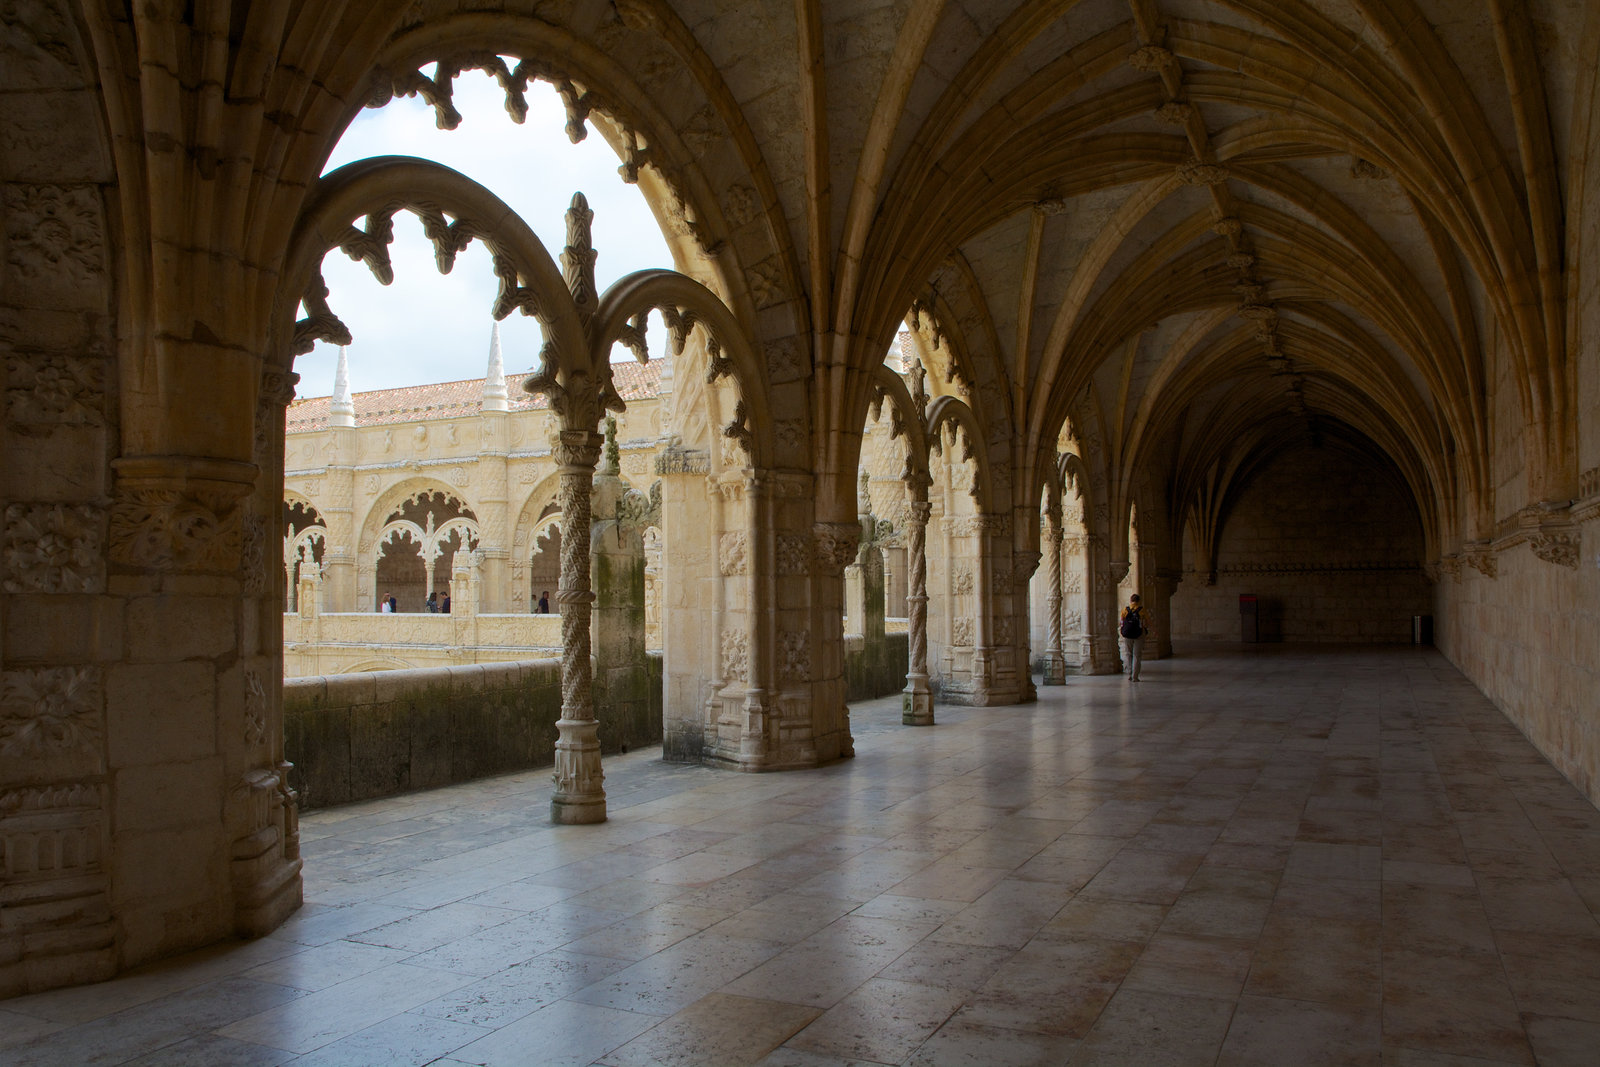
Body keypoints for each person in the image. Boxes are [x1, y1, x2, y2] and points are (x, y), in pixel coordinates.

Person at [1120, 593, 1150, 681]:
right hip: (1139, 634)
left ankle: (1129, 673)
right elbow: (1147, 621)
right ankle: (1135, 676)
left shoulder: (1125, 609)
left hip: (1127, 634)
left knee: (1128, 654)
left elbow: (1121, 622)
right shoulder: (1141, 610)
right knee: (1137, 655)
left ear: (1130, 600)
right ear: (1139, 601)